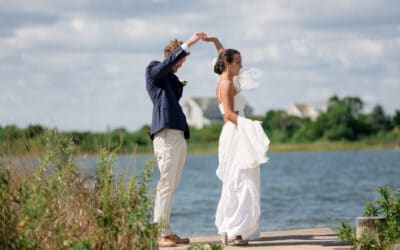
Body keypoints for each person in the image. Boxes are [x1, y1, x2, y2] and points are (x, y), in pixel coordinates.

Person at [203, 36, 270, 245]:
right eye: (238, 62)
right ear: (229, 64)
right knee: (240, 181)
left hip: (235, 131)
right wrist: (252, 125)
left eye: (242, 61)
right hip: (235, 132)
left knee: (241, 180)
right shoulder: (226, 83)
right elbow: (229, 114)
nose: (242, 65)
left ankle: (232, 229)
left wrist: (215, 41)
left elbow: (222, 55)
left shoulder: (226, 77)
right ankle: (235, 231)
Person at [145, 32, 206, 247]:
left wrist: (177, 78)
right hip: (165, 135)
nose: (180, 65)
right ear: (168, 54)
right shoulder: (154, 69)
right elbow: (165, 67)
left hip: (178, 135)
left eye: (183, 62)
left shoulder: (171, 78)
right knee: (166, 185)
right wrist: (189, 43)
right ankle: (160, 234)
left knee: (172, 185)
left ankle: (166, 230)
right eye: (179, 60)